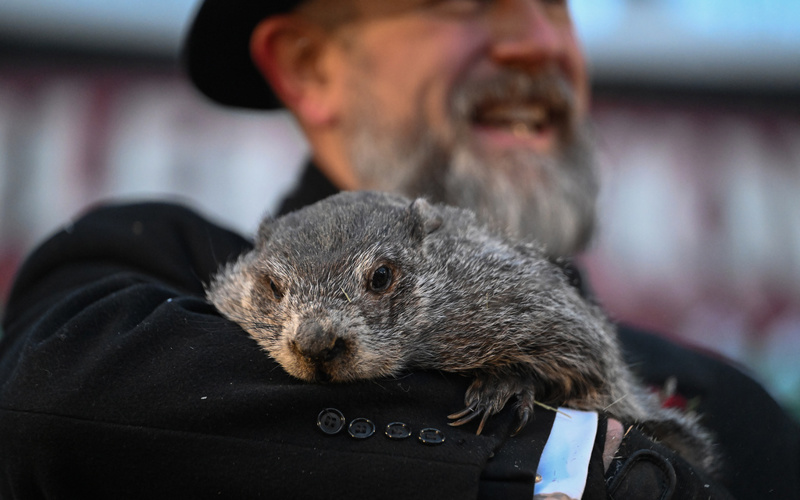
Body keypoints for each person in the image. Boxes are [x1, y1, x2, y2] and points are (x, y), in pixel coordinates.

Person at [0, 0, 797, 498]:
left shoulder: (728, 405)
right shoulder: (141, 269)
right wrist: (575, 462)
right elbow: (60, 403)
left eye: (555, 2)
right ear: (311, 66)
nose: (536, 42)